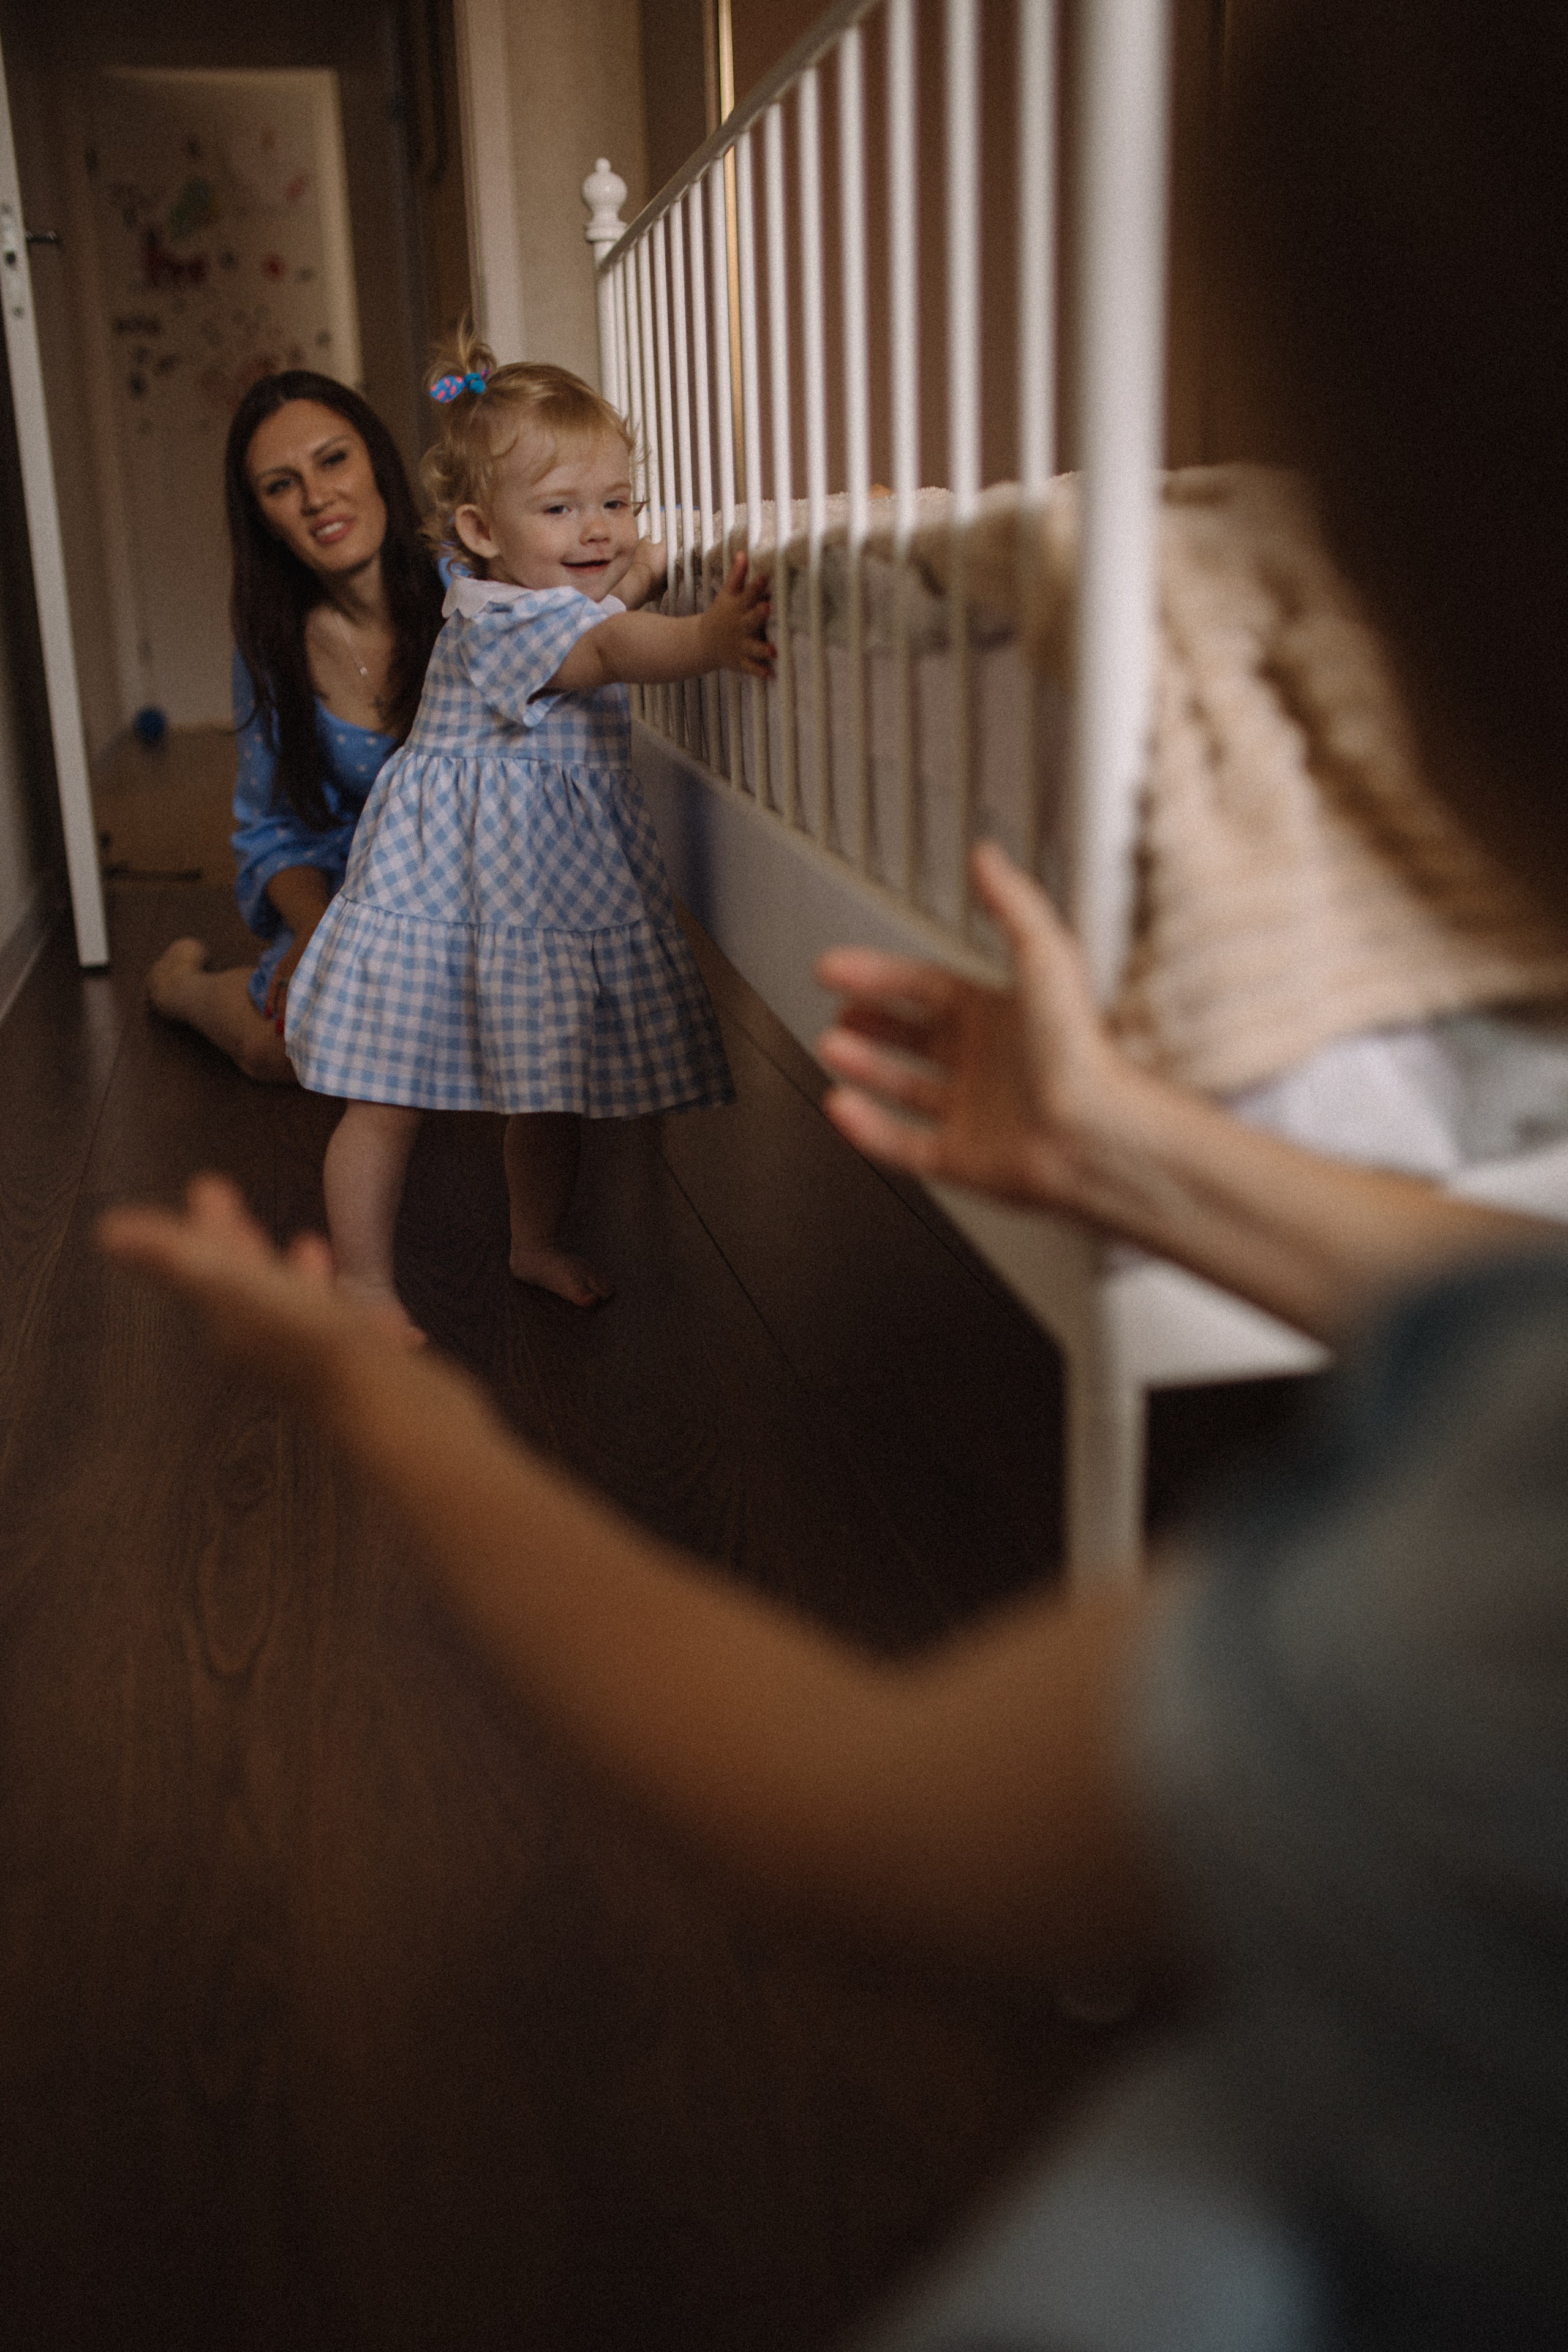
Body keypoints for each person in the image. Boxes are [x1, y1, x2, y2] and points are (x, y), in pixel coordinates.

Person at [100, 1, 1568, 2343]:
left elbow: (872, 1799)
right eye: (560, 509)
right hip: (395, 894)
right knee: (336, 1063)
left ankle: (434, 1192)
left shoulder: (492, 567)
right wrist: (694, 622)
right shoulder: (442, 620)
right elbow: (571, 671)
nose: (321, 507)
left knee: (518, 1104)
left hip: (503, 892)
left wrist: (372, 1421)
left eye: (334, 473)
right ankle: (238, 1052)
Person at [279, 335, 772, 1324]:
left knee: (549, 1081)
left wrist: (636, 575)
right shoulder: (498, 618)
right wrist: (707, 638)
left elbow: (599, 608)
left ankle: (535, 1239)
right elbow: (610, 648)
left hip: (536, 888)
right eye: (559, 509)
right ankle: (364, 1284)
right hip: (441, 886)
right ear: (480, 529)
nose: (598, 530)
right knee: (386, 1091)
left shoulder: (545, 596)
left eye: (616, 501)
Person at [146, 373, 445, 1083]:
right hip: (351, 903)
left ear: (376, 461)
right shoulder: (270, 652)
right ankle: (183, 987)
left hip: (472, 899)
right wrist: (316, 928)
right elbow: (272, 829)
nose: (316, 498)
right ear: (262, 519)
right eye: (281, 486)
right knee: (276, 1052)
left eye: (333, 459)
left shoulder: (471, 592)